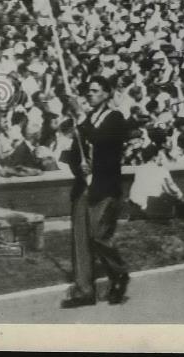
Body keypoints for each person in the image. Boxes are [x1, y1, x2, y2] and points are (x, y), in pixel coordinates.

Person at [60, 75, 132, 308]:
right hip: (83, 185)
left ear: (107, 93)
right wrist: (77, 166)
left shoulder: (115, 118)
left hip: (104, 186)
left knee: (98, 235)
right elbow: (73, 153)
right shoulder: (84, 121)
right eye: (88, 91)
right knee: (80, 239)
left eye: (94, 90)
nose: (89, 94)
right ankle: (84, 291)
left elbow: (102, 141)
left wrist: (81, 117)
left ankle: (118, 272)